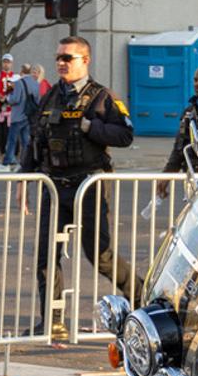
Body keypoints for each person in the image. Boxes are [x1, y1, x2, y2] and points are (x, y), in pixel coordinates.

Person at [20, 35, 138, 340]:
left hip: (89, 184)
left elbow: (125, 135)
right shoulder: (51, 96)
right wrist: (24, 178)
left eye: (67, 58)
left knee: (99, 256)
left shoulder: (102, 97)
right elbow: (36, 138)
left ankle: (141, 298)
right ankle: (51, 322)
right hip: (54, 185)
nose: (60, 63)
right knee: (46, 255)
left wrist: (92, 128)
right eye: (58, 57)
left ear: (85, 60)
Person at [0, 64, 39, 172]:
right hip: (28, 116)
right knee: (26, 141)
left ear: (22, 71)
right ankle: (25, 163)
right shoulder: (35, 83)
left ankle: (6, 164)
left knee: (11, 140)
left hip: (18, 115)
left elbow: (14, 99)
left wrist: (7, 98)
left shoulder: (19, 83)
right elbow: (38, 99)